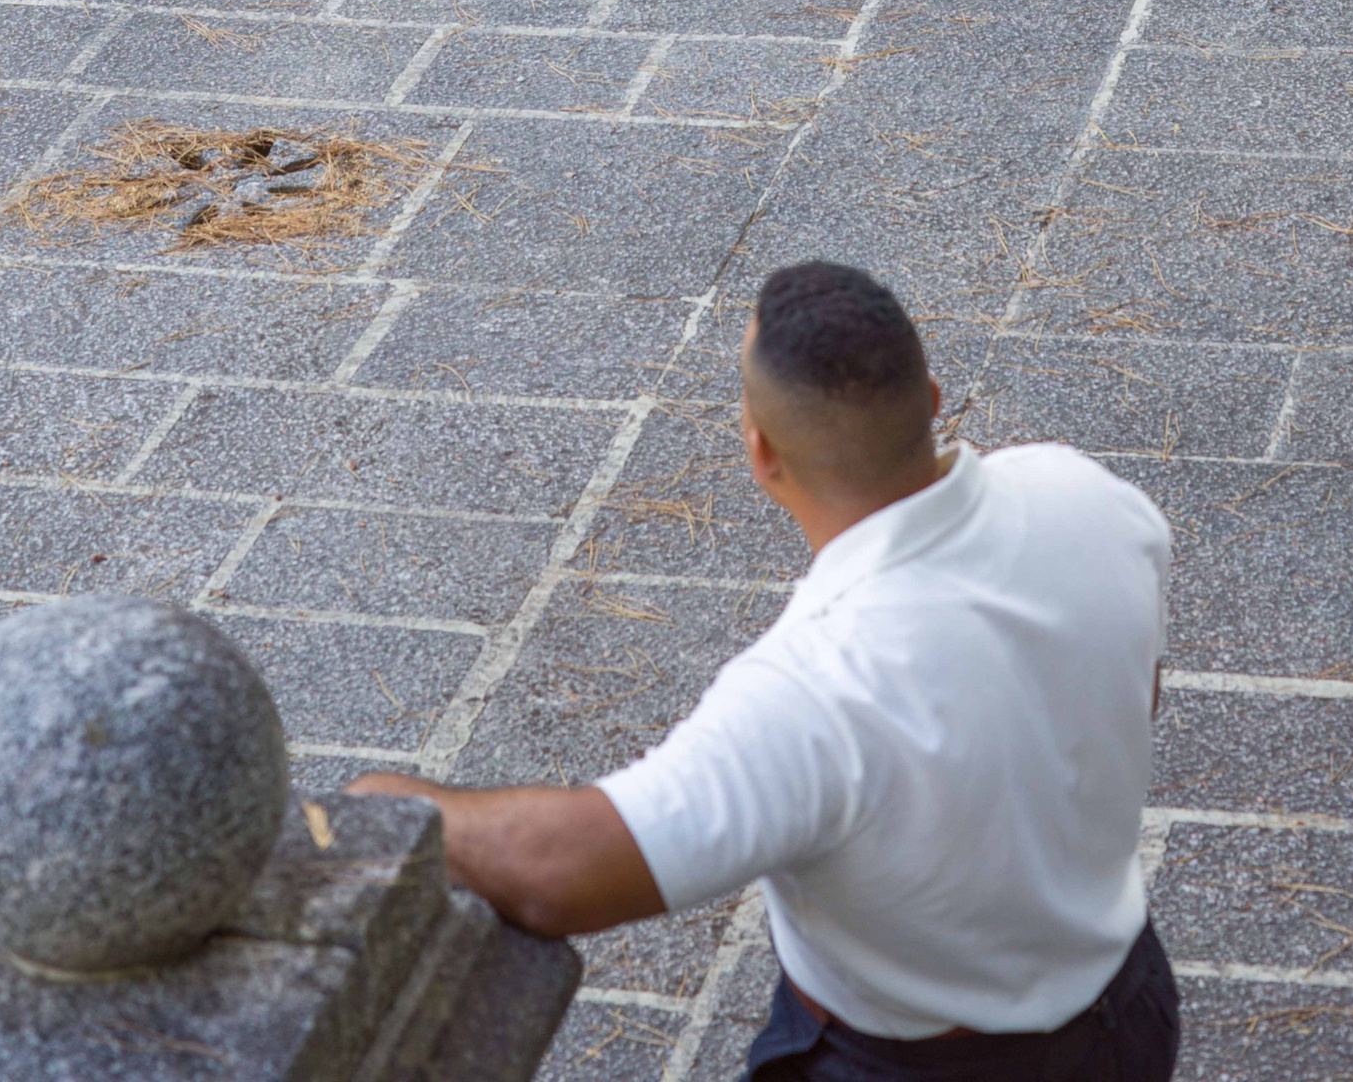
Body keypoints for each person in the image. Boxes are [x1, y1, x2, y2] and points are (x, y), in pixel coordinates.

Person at [350, 259, 1180, 1082]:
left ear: (760, 452)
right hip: (1129, 1007)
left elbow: (559, 873)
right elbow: (1130, 696)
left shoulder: (814, 685)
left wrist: (380, 804)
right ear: (931, 401)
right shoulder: (1086, 496)